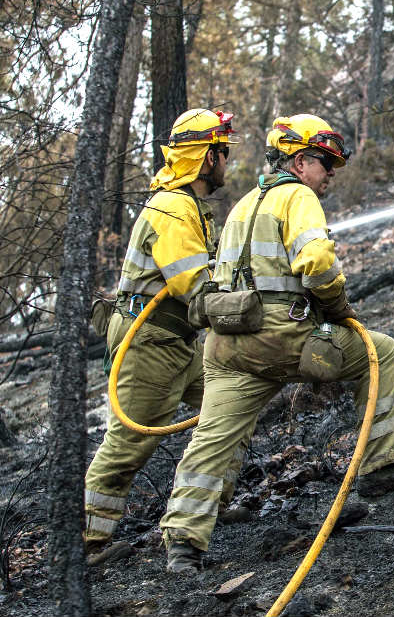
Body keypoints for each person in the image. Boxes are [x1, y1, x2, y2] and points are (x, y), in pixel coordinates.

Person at [159, 113, 394, 573]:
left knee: (212, 435)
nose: (331, 174)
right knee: (383, 351)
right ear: (300, 161)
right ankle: (383, 468)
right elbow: (317, 263)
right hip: (285, 337)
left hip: (228, 345)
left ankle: (184, 544)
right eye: (326, 163)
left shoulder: (242, 206)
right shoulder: (299, 197)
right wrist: (339, 309)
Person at [84, 109, 247, 563]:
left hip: (175, 341)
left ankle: (205, 506)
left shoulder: (188, 206)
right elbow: (193, 285)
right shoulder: (174, 210)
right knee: (127, 445)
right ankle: (88, 543)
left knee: (229, 408)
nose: (227, 162)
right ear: (207, 157)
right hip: (149, 341)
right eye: (223, 153)